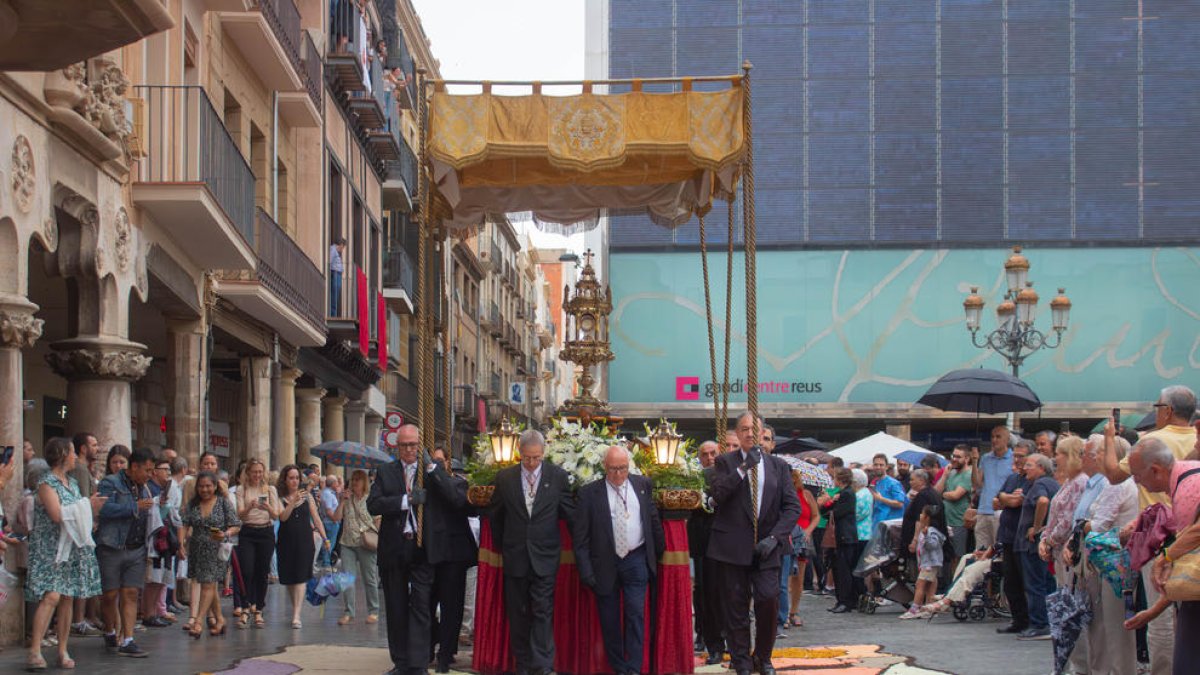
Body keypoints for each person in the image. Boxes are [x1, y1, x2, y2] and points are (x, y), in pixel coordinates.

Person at [1101, 386, 1198, 675]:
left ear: (1167, 410)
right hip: (1175, 539)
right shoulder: (1189, 453)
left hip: (1165, 539)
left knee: (1171, 626)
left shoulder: (1154, 443)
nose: (1137, 482)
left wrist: (1109, 439)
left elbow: (1113, 475)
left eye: (1139, 476)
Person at [709, 412, 803, 675]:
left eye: (755, 429)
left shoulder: (778, 466)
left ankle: (763, 656)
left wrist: (775, 537)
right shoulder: (725, 463)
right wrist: (743, 468)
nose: (750, 433)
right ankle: (741, 660)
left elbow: (792, 507)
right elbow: (718, 495)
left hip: (768, 547)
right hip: (732, 548)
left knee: (768, 600)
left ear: (763, 434)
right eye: (744, 429)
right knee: (735, 606)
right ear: (737, 434)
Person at [490, 429, 575, 675]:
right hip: (515, 556)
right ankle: (523, 665)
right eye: (527, 457)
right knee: (517, 613)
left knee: (543, 611)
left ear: (543, 454)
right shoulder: (505, 478)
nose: (531, 463)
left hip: (545, 557)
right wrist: (503, 547)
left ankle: (543, 666)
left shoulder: (557, 477)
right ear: (519, 453)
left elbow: (569, 513)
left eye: (536, 458)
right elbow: (496, 516)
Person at [575, 446, 665, 675]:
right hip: (604, 562)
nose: (618, 474)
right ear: (605, 467)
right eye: (613, 469)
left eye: (622, 468)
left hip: (636, 558)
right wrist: (586, 572)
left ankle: (634, 669)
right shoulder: (588, 493)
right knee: (610, 619)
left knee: (635, 613)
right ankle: (619, 668)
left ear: (629, 466)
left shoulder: (642, 485)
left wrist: (656, 554)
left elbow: (653, 520)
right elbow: (581, 537)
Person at [26, 437, 106, 671]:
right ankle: (35, 650)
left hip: (70, 546)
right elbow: (56, 514)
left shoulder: (71, 482)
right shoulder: (46, 482)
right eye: (71, 452)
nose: (74, 457)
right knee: (51, 596)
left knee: (68, 597)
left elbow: (76, 511)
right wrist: (87, 505)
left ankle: (62, 649)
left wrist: (87, 508)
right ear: (62, 454)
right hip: (50, 548)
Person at [1066, 432, 1139, 675]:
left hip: (1113, 561)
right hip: (1116, 560)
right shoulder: (1119, 484)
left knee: (1113, 626)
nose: (1095, 458)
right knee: (1111, 624)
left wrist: (1083, 525)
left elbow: (1098, 526)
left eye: (1099, 453)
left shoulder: (1116, 486)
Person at [368, 424, 437, 675]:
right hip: (394, 548)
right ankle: (401, 662)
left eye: (413, 445)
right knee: (396, 608)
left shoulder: (429, 471)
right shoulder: (386, 472)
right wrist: (404, 501)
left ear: (420, 446)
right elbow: (373, 504)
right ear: (397, 447)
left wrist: (432, 468)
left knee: (421, 605)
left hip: (421, 549)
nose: (409, 450)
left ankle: (419, 663)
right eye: (404, 445)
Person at [96, 446, 156, 657]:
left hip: (137, 547)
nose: (150, 475)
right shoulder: (110, 483)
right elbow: (103, 509)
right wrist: (134, 507)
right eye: (147, 470)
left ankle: (128, 639)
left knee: (131, 593)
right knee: (110, 594)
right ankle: (110, 629)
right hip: (112, 546)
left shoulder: (147, 487)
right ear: (134, 467)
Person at [426, 445, 478, 673]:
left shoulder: (457, 483)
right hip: (429, 553)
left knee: (452, 607)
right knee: (425, 605)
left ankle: (446, 654)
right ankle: (427, 648)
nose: (436, 465)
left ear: (447, 462)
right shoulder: (425, 483)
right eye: (433, 461)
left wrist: (434, 470)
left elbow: (455, 499)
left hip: (454, 555)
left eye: (440, 461)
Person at [178, 472, 240, 639]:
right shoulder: (193, 504)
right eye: (201, 486)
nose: (204, 489)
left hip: (216, 548)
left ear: (214, 486)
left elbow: (236, 525)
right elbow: (184, 524)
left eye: (208, 486)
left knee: (208, 584)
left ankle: (198, 621)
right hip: (197, 548)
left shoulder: (223, 503)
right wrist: (181, 543)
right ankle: (220, 619)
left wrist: (226, 534)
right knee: (209, 585)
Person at [1013, 452, 1058, 640]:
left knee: (1035, 585)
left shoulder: (1040, 484)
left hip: (1031, 545)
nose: (1025, 468)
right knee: (1046, 583)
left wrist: (1037, 527)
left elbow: (1043, 501)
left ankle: (1040, 624)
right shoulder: (1050, 483)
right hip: (1041, 544)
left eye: (1029, 465)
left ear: (1041, 467)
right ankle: (1050, 622)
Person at [276, 464, 327, 629]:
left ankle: (297, 614)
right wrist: (292, 502)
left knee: (301, 577)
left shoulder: (308, 497)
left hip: (305, 541)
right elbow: (282, 517)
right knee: (290, 579)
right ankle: (295, 609)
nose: (295, 481)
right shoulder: (279, 497)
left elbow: (316, 518)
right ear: (285, 479)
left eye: (297, 478)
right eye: (291, 478)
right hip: (286, 541)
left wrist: (325, 537)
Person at [233, 458, 279, 629]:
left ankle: (258, 608)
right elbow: (240, 515)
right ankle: (245, 607)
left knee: (262, 572)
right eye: (254, 472)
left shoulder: (270, 489)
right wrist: (250, 507)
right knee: (246, 570)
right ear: (248, 472)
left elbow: (276, 516)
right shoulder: (241, 489)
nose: (257, 475)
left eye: (260, 472)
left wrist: (267, 507)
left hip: (266, 532)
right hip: (248, 532)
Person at [689, 441, 724, 663]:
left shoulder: (730, 475)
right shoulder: (694, 477)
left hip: (725, 542)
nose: (710, 457)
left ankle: (723, 636)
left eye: (714, 453)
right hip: (701, 542)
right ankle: (703, 633)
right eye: (705, 454)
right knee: (702, 594)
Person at [994, 442, 1031, 635]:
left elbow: (1016, 501)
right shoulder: (1012, 478)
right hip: (1007, 537)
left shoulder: (1032, 480)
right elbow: (995, 501)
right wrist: (1005, 497)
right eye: (1015, 456)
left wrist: (1005, 499)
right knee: (1010, 582)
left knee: (1027, 580)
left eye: (1021, 456)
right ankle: (1018, 619)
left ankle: (1032, 620)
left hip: (1023, 536)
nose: (1017, 460)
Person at [335, 469, 381, 626]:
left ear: (364, 482)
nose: (354, 482)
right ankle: (348, 612)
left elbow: (378, 520)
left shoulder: (370, 499)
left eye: (358, 479)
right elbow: (336, 517)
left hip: (365, 543)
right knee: (347, 579)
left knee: (370, 579)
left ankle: (373, 611)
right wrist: (342, 500)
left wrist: (373, 533)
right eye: (353, 479)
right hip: (347, 543)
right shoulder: (347, 498)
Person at [142, 455, 180, 628]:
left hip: (164, 539)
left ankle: (155, 612)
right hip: (154, 539)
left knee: (160, 578)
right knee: (153, 579)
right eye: (165, 470)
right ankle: (148, 613)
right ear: (155, 472)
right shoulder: (149, 489)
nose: (168, 474)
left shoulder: (163, 490)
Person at [819, 468, 860, 615]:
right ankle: (842, 600)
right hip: (840, 537)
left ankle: (846, 601)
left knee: (843, 571)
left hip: (845, 537)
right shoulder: (843, 493)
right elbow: (825, 513)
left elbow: (838, 513)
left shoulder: (847, 494)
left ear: (840, 479)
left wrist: (829, 502)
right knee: (837, 569)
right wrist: (829, 503)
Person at [782, 472, 819, 629]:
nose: (792, 480)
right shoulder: (780, 494)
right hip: (786, 536)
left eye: (794, 477)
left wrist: (808, 531)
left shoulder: (806, 494)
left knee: (799, 577)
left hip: (802, 539)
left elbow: (816, 516)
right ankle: (782, 613)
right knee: (785, 577)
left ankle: (794, 611)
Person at [973, 426, 1015, 551]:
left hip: (1001, 512)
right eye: (992, 437)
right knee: (980, 552)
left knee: (999, 551)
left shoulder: (1014, 459)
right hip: (983, 511)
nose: (994, 440)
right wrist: (975, 461)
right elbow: (977, 484)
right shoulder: (985, 458)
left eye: (998, 437)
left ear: (1007, 439)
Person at [901, 504, 946, 619]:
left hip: (929, 564)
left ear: (927, 518)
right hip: (927, 563)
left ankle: (915, 609)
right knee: (929, 585)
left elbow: (933, 545)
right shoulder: (926, 530)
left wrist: (926, 536)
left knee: (920, 585)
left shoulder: (931, 531)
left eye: (923, 513)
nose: (920, 515)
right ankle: (929, 607)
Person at [936, 445, 974, 564]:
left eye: (958, 457)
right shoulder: (950, 473)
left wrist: (943, 494)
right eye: (953, 456)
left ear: (967, 459)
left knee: (958, 557)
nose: (954, 459)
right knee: (945, 557)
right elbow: (936, 492)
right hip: (945, 522)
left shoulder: (969, 474)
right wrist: (944, 475)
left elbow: (955, 495)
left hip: (959, 523)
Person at [899, 469, 941, 561]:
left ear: (921, 480)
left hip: (923, 542)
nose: (910, 482)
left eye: (912, 480)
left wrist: (915, 540)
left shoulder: (923, 496)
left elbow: (920, 519)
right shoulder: (931, 492)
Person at [869, 454, 907, 526]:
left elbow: (900, 504)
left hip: (889, 526)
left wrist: (881, 498)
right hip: (877, 524)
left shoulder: (894, 483)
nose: (878, 467)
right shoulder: (876, 483)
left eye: (881, 465)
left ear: (886, 467)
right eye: (876, 465)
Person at [319, 475, 340, 567]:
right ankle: (326, 562)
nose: (338, 484)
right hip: (330, 522)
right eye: (337, 482)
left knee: (329, 542)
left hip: (331, 521)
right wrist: (335, 519)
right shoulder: (327, 493)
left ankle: (326, 561)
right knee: (329, 543)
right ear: (333, 483)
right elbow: (328, 510)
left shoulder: (329, 492)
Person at [330, 236, 346, 315]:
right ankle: (333, 314)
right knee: (334, 296)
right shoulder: (333, 250)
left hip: (337, 274)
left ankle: (334, 313)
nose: (342, 250)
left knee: (336, 296)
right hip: (335, 274)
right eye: (343, 247)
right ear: (340, 245)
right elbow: (330, 261)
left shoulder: (335, 251)